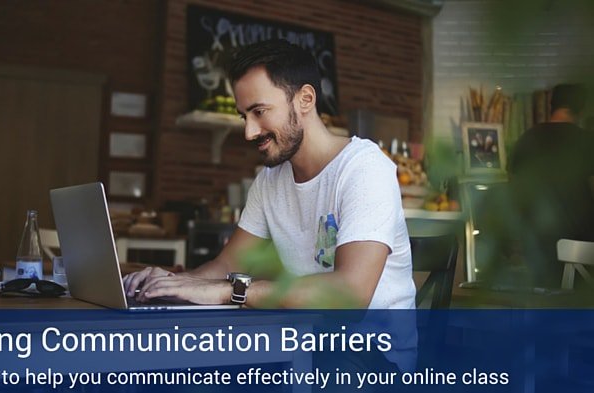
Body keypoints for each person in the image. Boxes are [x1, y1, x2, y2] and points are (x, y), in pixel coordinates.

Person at [124, 40, 415, 310]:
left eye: (260, 111)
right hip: (300, 343)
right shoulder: (270, 180)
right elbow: (226, 264)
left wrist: (231, 291)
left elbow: (350, 295)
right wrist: (173, 284)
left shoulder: (364, 169)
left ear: (305, 99)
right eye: (244, 117)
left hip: (370, 355)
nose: (249, 132)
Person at [508, 83, 594, 288]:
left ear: (551, 105)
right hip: (581, 248)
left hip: (537, 248)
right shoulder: (587, 142)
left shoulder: (526, 140)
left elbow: (512, 194)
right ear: (580, 110)